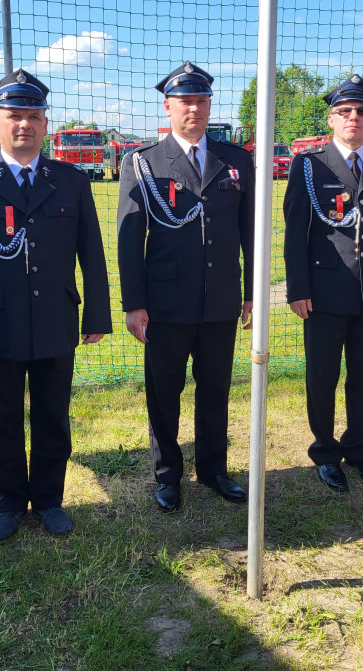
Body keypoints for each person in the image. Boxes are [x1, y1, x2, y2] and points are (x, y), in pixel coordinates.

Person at [0, 68, 111, 540]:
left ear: (45, 123)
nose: (25, 125)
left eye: (34, 116)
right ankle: (10, 503)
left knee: (53, 415)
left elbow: (91, 254)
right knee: (1, 418)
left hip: (56, 318)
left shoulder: (71, 180)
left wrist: (96, 312)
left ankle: (50, 500)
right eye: (14, 116)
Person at [117, 62, 254, 513]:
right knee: (164, 393)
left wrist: (251, 291)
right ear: (168, 107)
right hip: (165, 304)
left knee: (215, 389)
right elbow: (129, 237)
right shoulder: (143, 162)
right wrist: (134, 304)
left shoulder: (236, 161)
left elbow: (250, 231)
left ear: (209, 105)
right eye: (184, 101)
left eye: (200, 100)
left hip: (219, 301)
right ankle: (167, 475)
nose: (193, 108)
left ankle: (214, 470)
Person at [283, 75, 363, 492]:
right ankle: (324, 451)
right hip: (323, 293)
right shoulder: (309, 164)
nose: (353, 118)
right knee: (322, 376)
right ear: (332, 119)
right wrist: (297, 289)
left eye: (362, 111)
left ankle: (360, 452)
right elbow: (295, 230)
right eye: (344, 111)